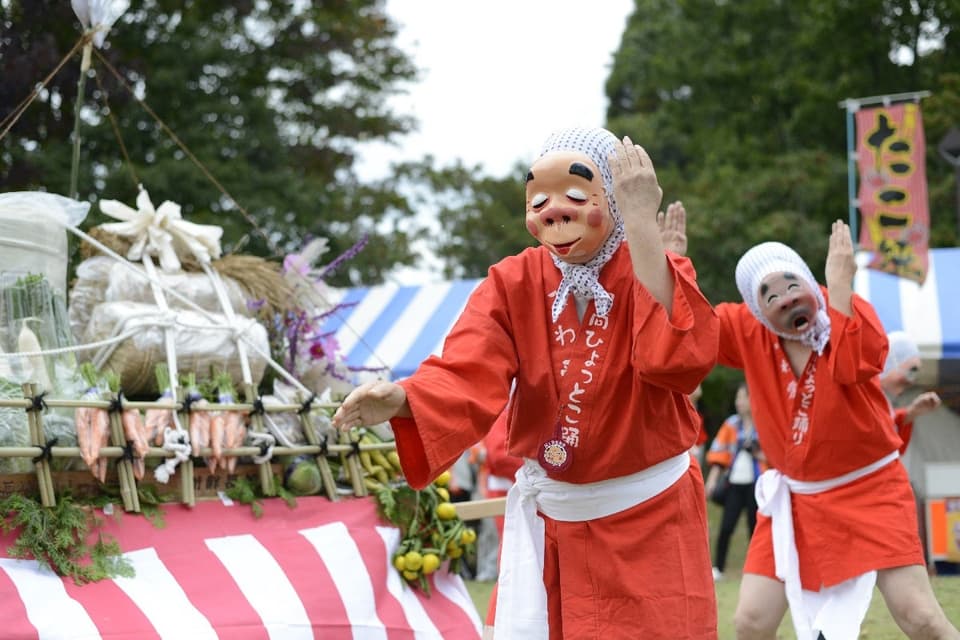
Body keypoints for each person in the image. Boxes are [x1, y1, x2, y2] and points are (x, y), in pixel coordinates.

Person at [333, 127, 720, 639]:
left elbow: (680, 362)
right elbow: (469, 365)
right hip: (553, 517)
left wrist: (642, 224)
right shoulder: (513, 280)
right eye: (539, 199)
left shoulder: (645, 267)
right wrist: (408, 397)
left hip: (646, 517)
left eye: (577, 196)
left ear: (614, 196)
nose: (554, 211)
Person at [713, 221, 959, 640]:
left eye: (791, 282)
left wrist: (840, 285)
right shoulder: (750, 331)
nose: (784, 297)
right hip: (798, 499)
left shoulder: (844, 308)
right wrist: (662, 254)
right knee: (750, 620)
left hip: (870, 490)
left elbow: (854, 365)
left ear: (808, 278)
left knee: (920, 617)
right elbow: (685, 326)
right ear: (756, 309)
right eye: (767, 294)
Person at [704, 382, 766, 581]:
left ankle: (756, 570)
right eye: (738, 398)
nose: (739, 402)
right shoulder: (731, 424)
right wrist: (712, 481)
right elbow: (719, 455)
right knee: (726, 527)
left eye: (743, 398)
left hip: (757, 483)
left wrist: (757, 452)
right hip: (734, 483)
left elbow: (777, 454)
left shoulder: (765, 423)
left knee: (755, 527)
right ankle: (718, 568)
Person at [879, 330, 942, 454]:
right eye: (912, 370)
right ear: (891, 361)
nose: (911, 380)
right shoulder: (861, 393)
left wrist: (912, 412)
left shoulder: (880, 398)